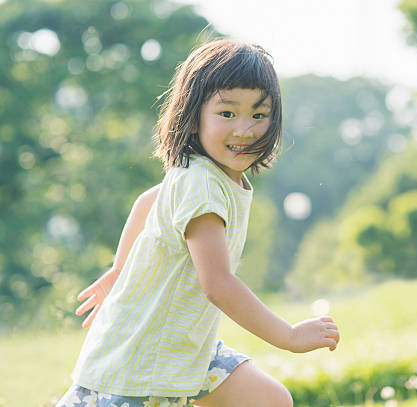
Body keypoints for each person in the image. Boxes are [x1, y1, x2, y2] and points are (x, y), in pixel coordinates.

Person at [55, 38, 340, 407]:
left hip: (186, 349)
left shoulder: (201, 174)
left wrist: (119, 270)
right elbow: (218, 285)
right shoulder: (203, 186)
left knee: (270, 401)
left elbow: (149, 201)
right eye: (227, 113)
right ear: (192, 118)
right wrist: (289, 336)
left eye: (258, 114)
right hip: (143, 367)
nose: (244, 129)